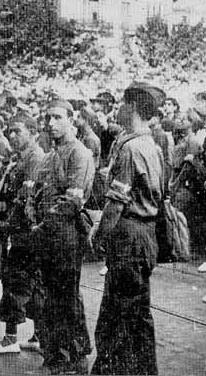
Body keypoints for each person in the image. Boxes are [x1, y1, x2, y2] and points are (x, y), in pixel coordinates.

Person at [91, 83, 166, 375]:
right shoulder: (151, 146)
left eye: (123, 103)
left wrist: (98, 236)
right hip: (144, 236)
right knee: (137, 316)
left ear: (133, 108)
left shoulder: (132, 148)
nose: (118, 109)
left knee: (116, 318)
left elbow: (116, 203)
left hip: (129, 235)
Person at [27, 99, 95, 374]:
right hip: (47, 233)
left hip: (66, 233)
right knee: (51, 296)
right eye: (48, 118)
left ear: (72, 119)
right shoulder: (51, 156)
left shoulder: (80, 154)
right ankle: (56, 355)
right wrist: (31, 211)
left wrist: (41, 226)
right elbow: (37, 191)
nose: (51, 124)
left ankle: (76, 357)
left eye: (57, 117)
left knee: (66, 295)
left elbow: (72, 201)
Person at [0, 112, 46, 355]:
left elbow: (25, 199)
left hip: (23, 231)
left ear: (32, 133)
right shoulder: (20, 158)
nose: (12, 135)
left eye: (18, 131)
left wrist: (9, 225)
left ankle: (10, 338)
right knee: (28, 284)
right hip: (21, 230)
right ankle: (37, 335)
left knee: (16, 283)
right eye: (10, 131)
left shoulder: (34, 159)